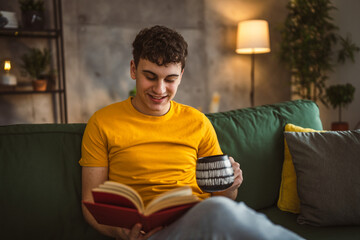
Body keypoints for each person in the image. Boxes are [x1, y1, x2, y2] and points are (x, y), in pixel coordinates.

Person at [79, 25, 303, 240]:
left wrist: (230, 185)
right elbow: (91, 204)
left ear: (181, 75)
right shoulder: (103, 123)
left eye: (170, 79)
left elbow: (224, 199)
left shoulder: (197, 122)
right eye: (150, 76)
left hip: (201, 224)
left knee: (218, 210)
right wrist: (121, 233)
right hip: (149, 234)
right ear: (133, 69)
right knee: (217, 212)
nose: (160, 89)